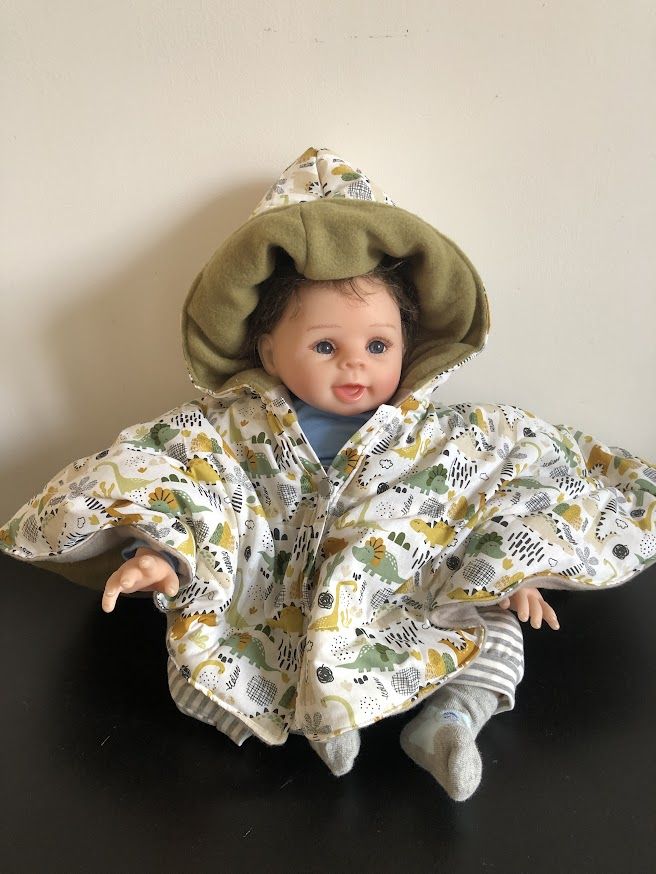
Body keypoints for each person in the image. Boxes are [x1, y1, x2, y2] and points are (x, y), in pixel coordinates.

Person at [2, 147, 653, 801]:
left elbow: (512, 479)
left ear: (408, 346)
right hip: (269, 601)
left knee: (493, 629)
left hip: (401, 594)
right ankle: (306, 720)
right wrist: (160, 554)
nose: (355, 365)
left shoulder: (438, 432)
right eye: (325, 346)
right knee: (194, 644)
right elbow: (176, 482)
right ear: (268, 350)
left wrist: (516, 567)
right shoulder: (226, 431)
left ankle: (452, 720)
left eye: (378, 345)